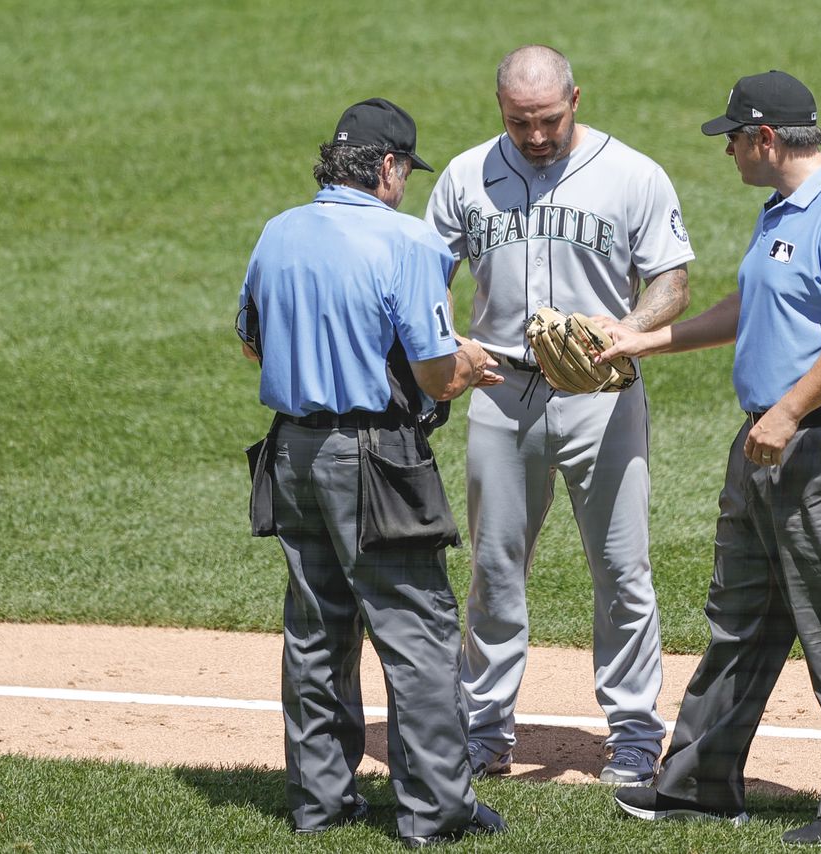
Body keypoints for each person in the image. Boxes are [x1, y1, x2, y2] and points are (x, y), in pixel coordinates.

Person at [603, 71, 821, 845]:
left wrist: (787, 412)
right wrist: (644, 339)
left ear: (765, 139)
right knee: (739, 619)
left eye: (733, 137)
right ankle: (701, 784)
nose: (729, 150)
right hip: (769, 444)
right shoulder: (781, 210)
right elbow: (748, 307)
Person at [237, 97, 506, 848]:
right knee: (417, 631)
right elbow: (433, 371)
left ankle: (321, 804)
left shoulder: (278, 231)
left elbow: (253, 343)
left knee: (317, 631)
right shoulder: (406, 240)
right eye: (404, 172)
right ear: (387, 166)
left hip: (290, 452)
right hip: (374, 459)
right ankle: (436, 812)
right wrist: (467, 365)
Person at [423, 45, 694, 786]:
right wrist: (449, 346)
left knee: (622, 567)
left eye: (547, 119)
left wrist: (628, 330)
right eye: (520, 122)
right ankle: (484, 728)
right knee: (494, 567)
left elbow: (671, 281)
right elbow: (423, 282)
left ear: (577, 98)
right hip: (501, 392)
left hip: (602, 397)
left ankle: (635, 732)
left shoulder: (632, 173)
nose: (536, 136)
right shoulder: (464, 176)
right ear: (499, 108)